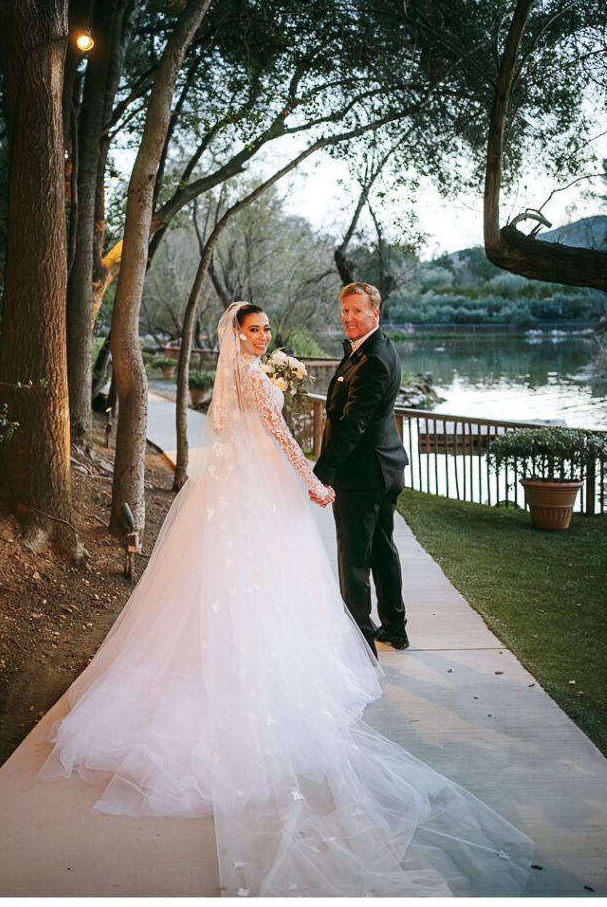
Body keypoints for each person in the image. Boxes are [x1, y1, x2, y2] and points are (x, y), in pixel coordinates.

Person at [37, 301, 532, 896]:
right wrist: (313, 481)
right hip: (260, 488)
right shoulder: (251, 375)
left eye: (267, 329)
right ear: (237, 335)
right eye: (255, 330)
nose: (265, 336)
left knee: (236, 583)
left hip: (238, 483)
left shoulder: (243, 373)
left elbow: (232, 429)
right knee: (262, 581)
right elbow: (277, 433)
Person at [313, 283, 409, 655]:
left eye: (357, 311)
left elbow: (353, 424)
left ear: (375, 314)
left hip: (363, 476)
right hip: (385, 469)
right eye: (345, 311)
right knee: (383, 550)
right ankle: (395, 629)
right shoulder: (373, 347)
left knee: (353, 560)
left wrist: (320, 474)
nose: (349, 318)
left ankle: (360, 645)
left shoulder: (373, 361)